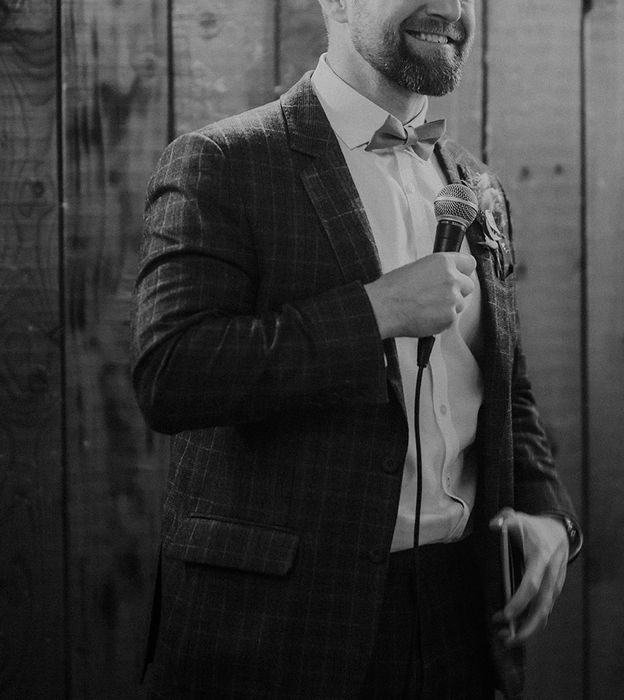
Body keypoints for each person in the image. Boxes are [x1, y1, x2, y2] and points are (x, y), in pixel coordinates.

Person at [131, 0, 582, 697]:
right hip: (281, 630)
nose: (452, 8)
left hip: (464, 617)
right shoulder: (222, 162)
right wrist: (374, 311)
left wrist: (548, 509)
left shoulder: (475, 184)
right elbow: (172, 372)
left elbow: (505, 386)